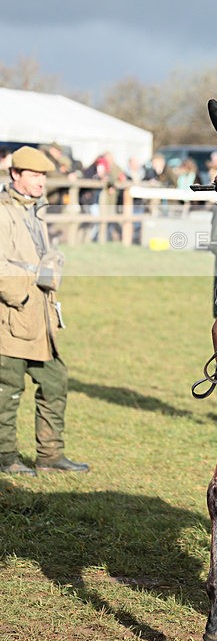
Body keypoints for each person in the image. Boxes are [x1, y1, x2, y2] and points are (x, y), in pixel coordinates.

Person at [0, 146, 89, 475]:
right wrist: (22, 295)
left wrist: (53, 264)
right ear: (15, 175)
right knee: (7, 390)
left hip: (40, 318)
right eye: (34, 175)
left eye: (43, 176)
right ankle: (5, 458)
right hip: (10, 318)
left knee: (54, 381)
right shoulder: (3, 211)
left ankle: (50, 457)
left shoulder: (35, 210)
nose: (41, 182)